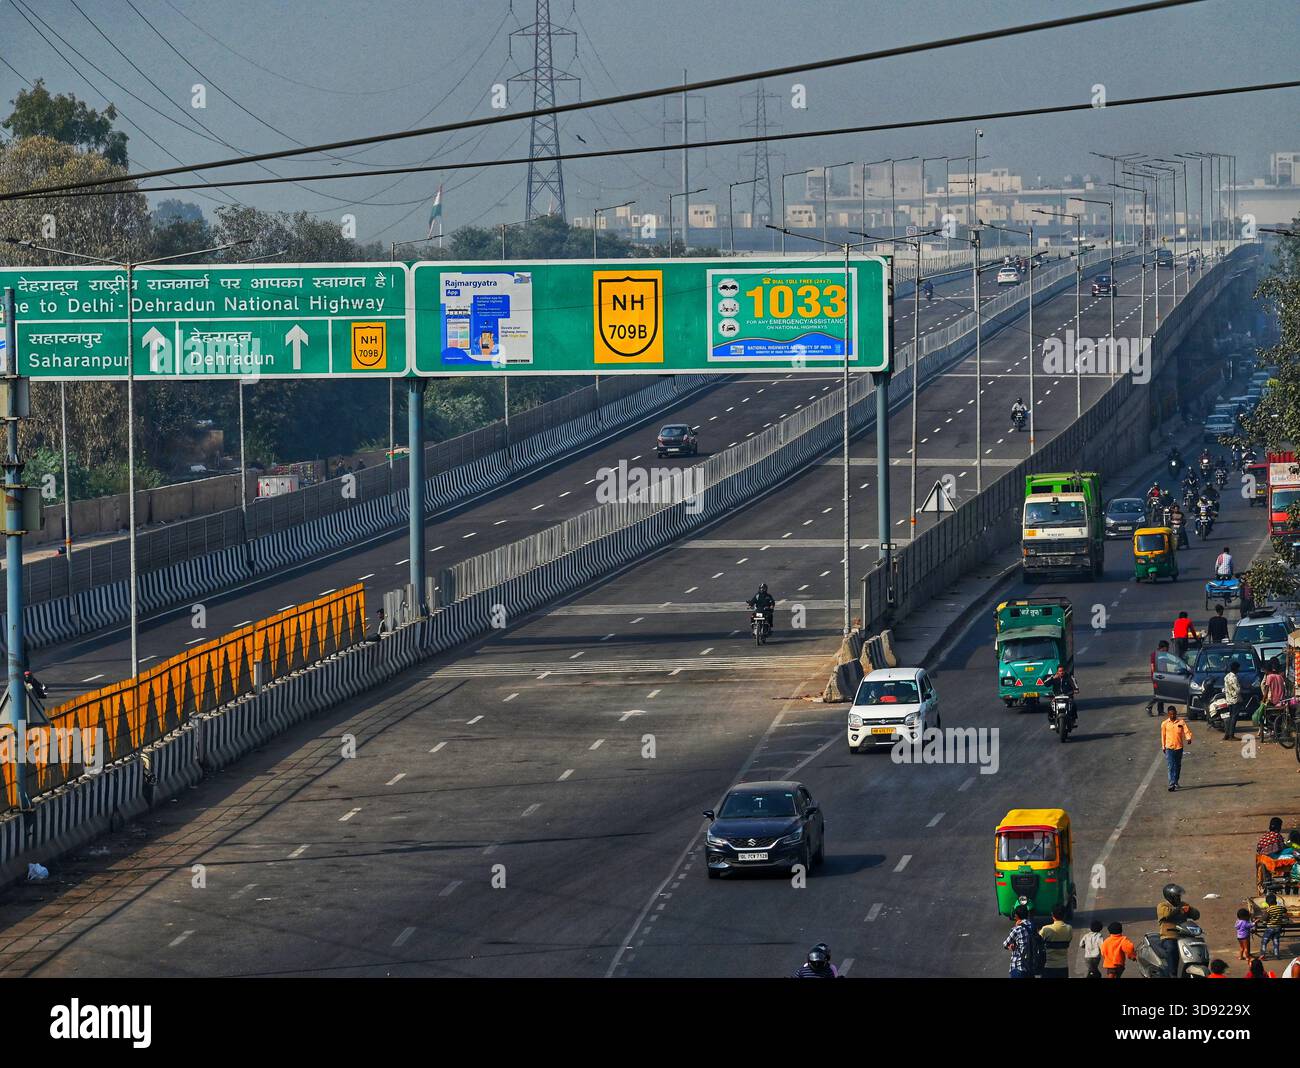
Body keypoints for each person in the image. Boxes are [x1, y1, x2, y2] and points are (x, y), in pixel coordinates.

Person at [1157, 883, 1201, 977]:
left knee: (1198, 945)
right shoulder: (1162, 906)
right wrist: (1179, 910)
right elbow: (1167, 915)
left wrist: (1190, 910)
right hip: (1168, 936)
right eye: (1177, 896)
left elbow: (1196, 915)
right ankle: (1172, 973)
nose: (1179, 897)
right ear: (1170, 896)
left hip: (1184, 935)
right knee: (1172, 949)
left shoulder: (1183, 904)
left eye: (1179, 895)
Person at [1161, 706, 1192, 791]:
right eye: (1171, 714)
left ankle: (1176, 781)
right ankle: (1171, 784)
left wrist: (1188, 738)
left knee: (1177, 766)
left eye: (1174, 713)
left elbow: (1186, 731)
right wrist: (1163, 746)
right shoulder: (1165, 724)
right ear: (1168, 714)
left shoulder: (1181, 722)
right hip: (1169, 748)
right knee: (1170, 766)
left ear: (1176, 713)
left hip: (1179, 747)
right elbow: (1163, 736)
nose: (1172, 715)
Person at [1038, 905, 1073, 978]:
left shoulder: (1046, 929)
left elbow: (1037, 940)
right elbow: (1069, 940)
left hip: (1048, 965)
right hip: (1063, 966)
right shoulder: (1069, 928)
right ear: (1064, 915)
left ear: (1052, 915)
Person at [1004, 905, 1036, 978]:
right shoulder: (1033, 926)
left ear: (1016, 916)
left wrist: (1011, 947)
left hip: (1019, 967)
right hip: (1031, 966)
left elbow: (1005, 944)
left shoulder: (1017, 929)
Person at [1046, 664, 1078, 731]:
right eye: (1060, 671)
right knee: (1050, 705)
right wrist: (1052, 678)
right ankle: (1052, 722)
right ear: (1057, 671)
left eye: (1062, 671)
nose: (1061, 672)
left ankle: (1073, 720)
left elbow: (1074, 683)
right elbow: (1045, 683)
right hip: (1057, 697)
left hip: (1067, 696)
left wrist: (1076, 689)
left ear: (1065, 671)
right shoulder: (1054, 677)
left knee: (1073, 704)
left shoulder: (1069, 677)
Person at [1146, 640, 1171, 716]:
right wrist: (1155, 677)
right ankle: (1149, 707)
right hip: (1157, 677)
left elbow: (1165, 664)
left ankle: (1160, 711)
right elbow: (1153, 666)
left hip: (1163, 676)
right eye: (1167, 648)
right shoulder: (1154, 654)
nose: (1168, 649)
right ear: (1163, 647)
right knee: (1158, 693)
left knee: (1162, 693)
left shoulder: (1164, 654)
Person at [1221, 660, 1243, 741]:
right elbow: (1238, 689)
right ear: (1236, 669)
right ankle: (1231, 735)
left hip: (1228, 699)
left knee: (1229, 717)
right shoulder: (1234, 677)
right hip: (1235, 699)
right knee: (1234, 717)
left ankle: (1227, 734)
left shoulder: (1226, 676)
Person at [1260, 893, 1285, 959]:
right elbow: (1285, 910)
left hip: (1270, 928)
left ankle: (1262, 954)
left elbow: (1264, 918)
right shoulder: (1280, 908)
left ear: (1267, 903)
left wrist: (1262, 917)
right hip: (1278, 928)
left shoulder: (1268, 909)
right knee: (1276, 941)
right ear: (1276, 901)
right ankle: (1277, 955)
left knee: (1264, 941)